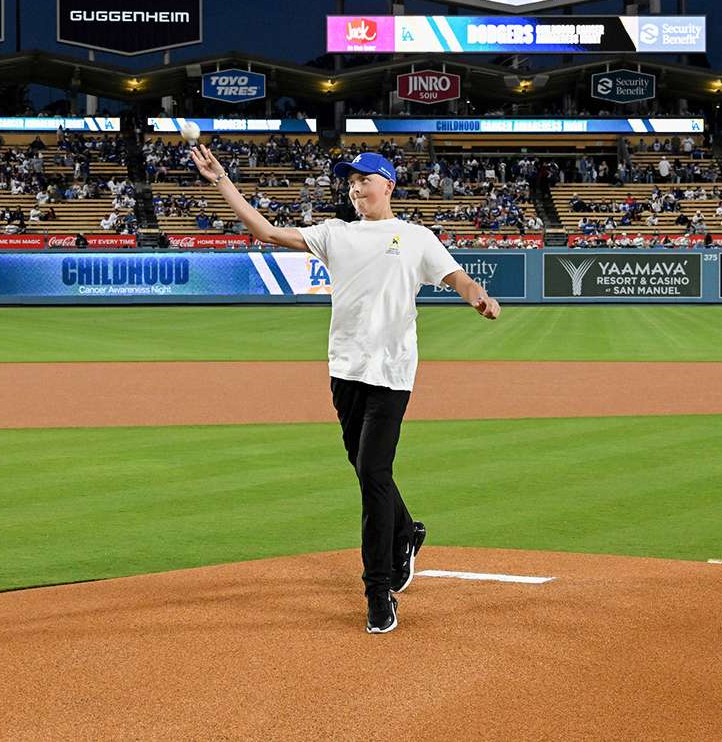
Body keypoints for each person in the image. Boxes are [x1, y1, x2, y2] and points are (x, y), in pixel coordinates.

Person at [190, 144, 500, 635]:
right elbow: (267, 231)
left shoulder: (415, 237)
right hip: (345, 370)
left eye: (364, 180)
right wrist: (220, 180)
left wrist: (477, 296)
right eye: (351, 182)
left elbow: (455, 276)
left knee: (374, 471)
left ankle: (378, 592)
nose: (356, 189)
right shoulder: (335, 234)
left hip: (392, 373)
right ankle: (407, 531)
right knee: (364, 467)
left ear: (388, 185)